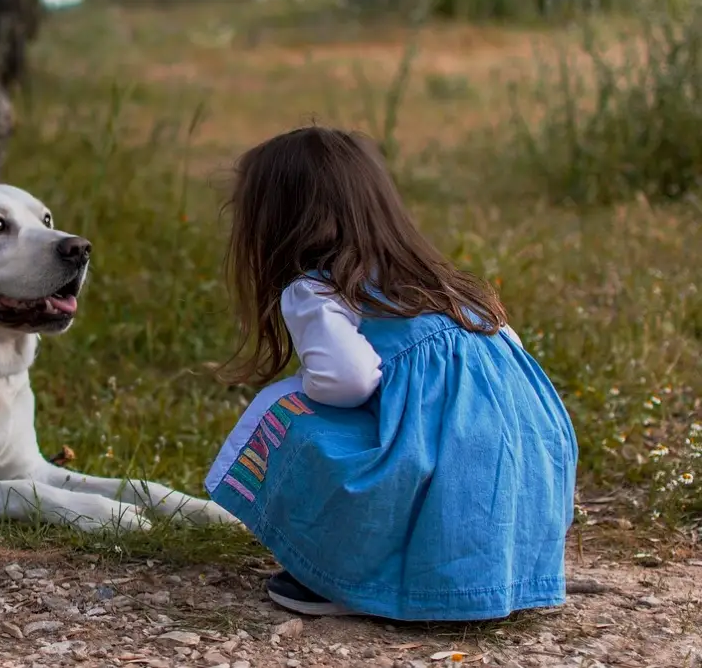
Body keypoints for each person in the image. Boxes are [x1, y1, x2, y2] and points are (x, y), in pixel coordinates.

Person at [204, 125, 577, 621]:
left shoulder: (317, 290)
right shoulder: (445, 287)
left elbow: (349, 380)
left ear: (278, 222)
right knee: (437, 437)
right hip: (524, 478)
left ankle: (347, 576)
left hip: (442, 473)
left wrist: (308, 389)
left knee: (285, 410)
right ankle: (487, 572)